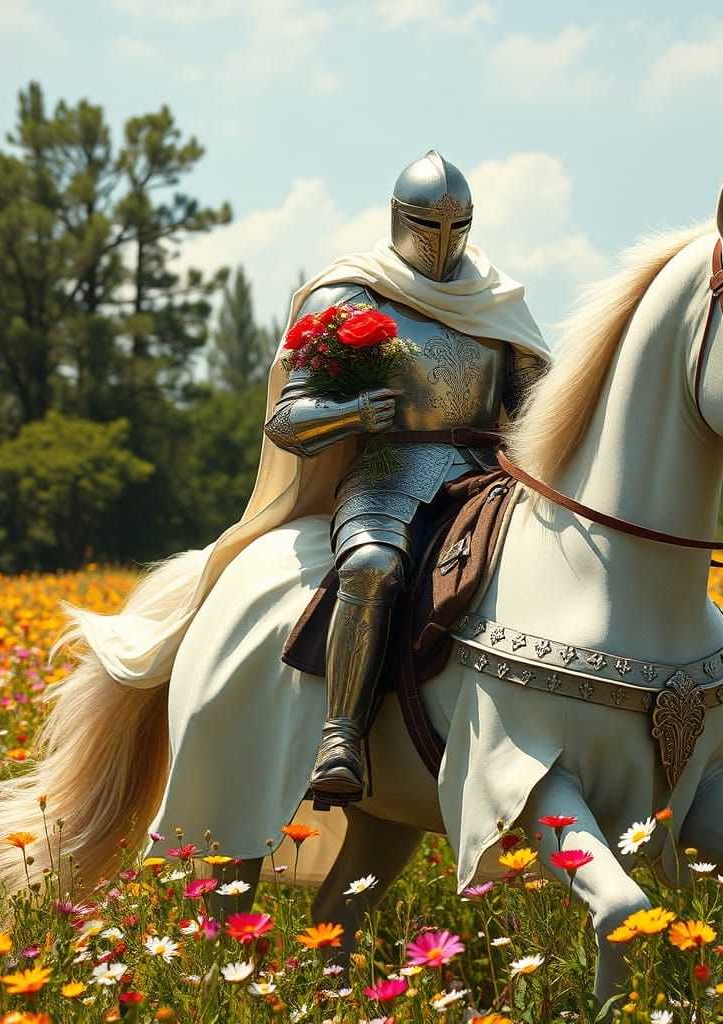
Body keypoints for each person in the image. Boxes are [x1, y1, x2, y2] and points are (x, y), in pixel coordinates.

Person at [263, 150, 551, 805]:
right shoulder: (353, 291)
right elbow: (288, 417)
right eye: (427, 224)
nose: (442, 241)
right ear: (399, 219)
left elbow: (540, 409)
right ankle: (342, 736)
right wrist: (352, 411)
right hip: (389, 474)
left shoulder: (495, 301)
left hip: (489, 478)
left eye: (457, 225)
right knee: (371, 567)